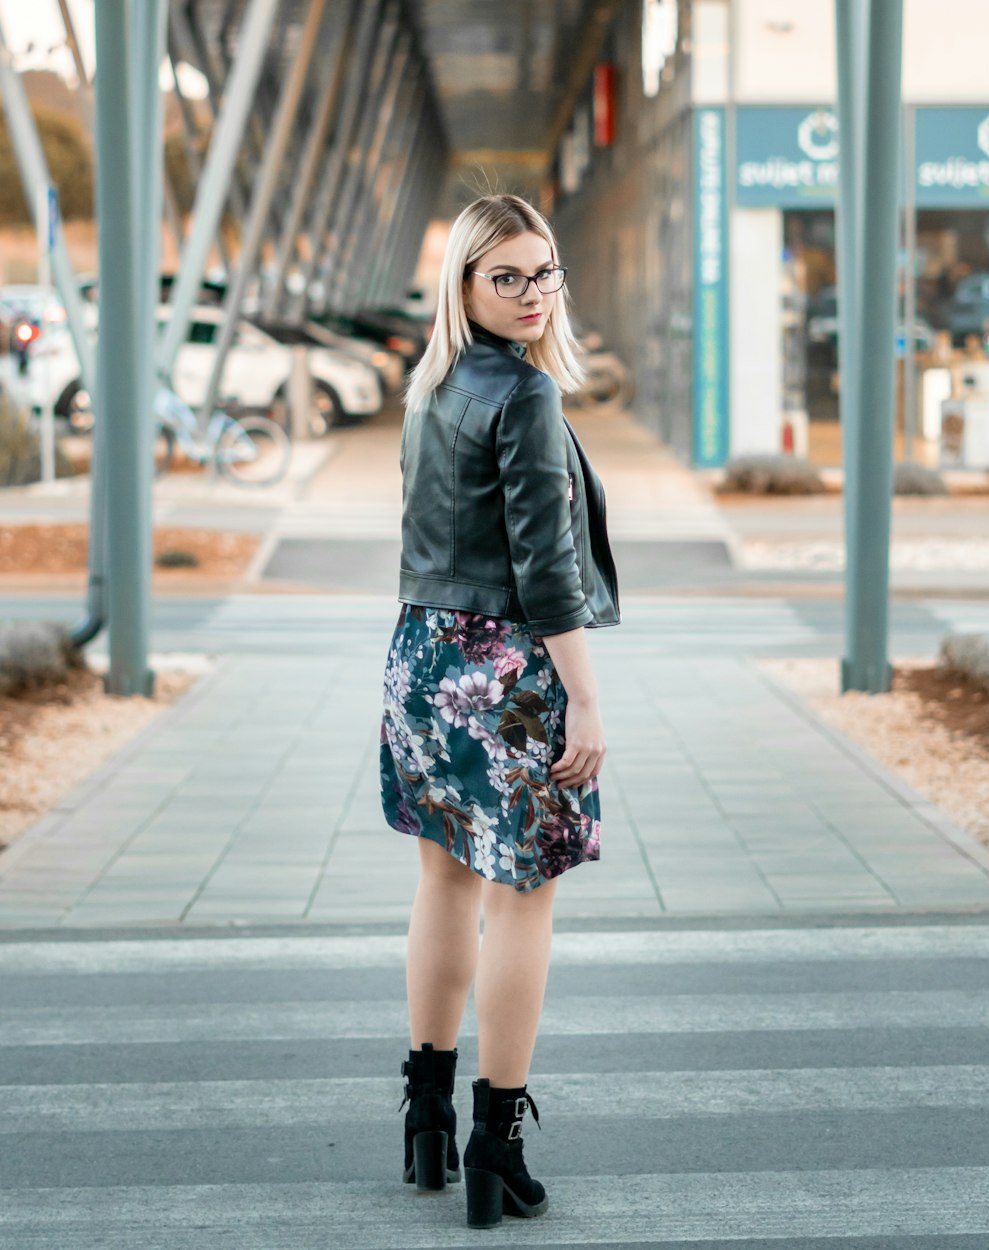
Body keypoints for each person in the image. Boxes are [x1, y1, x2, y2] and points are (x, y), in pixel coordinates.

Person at [380, 193, 620, 1230]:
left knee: (442, 873)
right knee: (525, 895)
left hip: (421, 655)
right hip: (505, 670)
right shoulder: (522, 396)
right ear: (465, 285)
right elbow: (545, 567)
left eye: (544, 271)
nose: (532, 294)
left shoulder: (428, 385)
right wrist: (583, 696)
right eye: (506, 277)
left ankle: (425, 1119)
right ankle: (495, 1142)